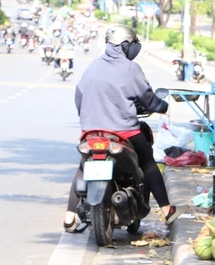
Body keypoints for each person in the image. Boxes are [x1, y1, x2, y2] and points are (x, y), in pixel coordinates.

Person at [63, 24, 182, 232]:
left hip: (91, 133)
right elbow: (148, 100)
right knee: (148, 163)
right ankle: (166, 211)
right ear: (125, 45)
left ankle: (69, 216)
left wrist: (90, 118)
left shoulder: (93, 66)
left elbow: (79, 97)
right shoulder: (130, 68)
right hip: (123, 131)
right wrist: (161, 106)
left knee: (83, 167)